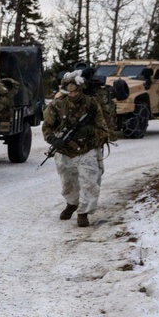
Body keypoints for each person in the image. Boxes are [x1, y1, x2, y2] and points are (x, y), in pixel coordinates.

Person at [42, 69, 109, 228]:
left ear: (81, 89)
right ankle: (72, 203)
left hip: (87, 149)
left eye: (75, 92)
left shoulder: (92, 105)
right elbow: (47, 127)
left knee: (89, 182)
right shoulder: (57, 105)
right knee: (68, 183)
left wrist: (89, 131)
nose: (72, 95)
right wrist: (52, 139)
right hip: (65, 151)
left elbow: (104, 131)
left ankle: (83, 212)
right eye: (69, 92)